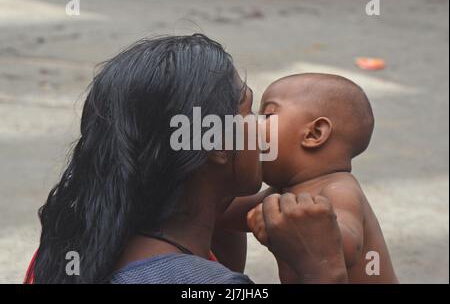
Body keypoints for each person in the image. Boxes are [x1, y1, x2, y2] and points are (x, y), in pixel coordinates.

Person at [26, 35, 347, 284]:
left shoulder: (74, 245)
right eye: (250, 112)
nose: (264, 129)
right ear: (219, 144)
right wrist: (321, 270)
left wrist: (217, 199)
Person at [247, 73, 398, 283]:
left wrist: (293, 229)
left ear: (314, 134)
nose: (254, 126)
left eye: (268, 116)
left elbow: (348, 246)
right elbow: (219, 212)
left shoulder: (339, 190)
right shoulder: (281, 193)